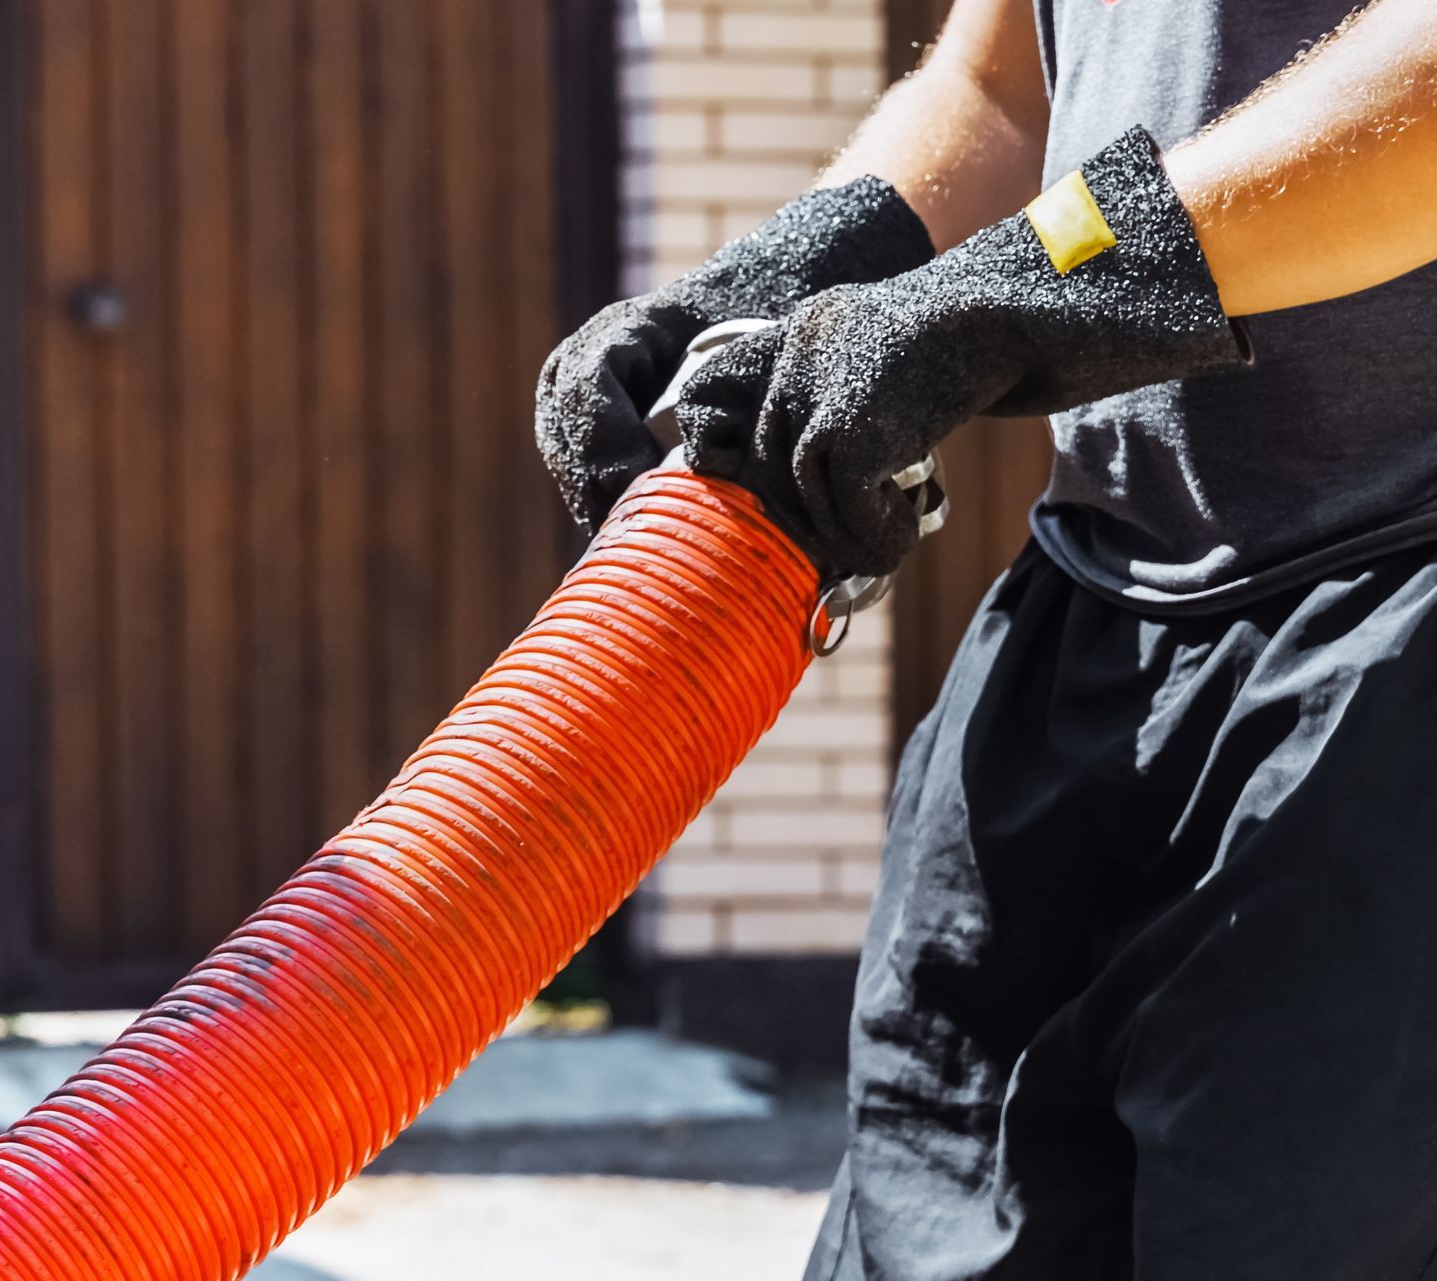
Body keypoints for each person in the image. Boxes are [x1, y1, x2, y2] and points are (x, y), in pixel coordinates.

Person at [535, 1, 1437, 1276]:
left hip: (1398, 648)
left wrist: (1011, 289)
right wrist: (797, 266)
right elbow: (1005, 86)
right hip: (1094, 619)